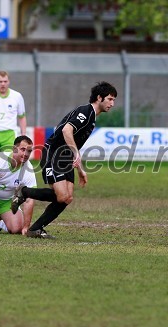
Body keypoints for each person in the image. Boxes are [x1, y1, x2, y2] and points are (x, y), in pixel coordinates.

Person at [11, 81, 117, 239]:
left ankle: (35, 229)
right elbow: (67, 131)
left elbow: (74, 143)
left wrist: (80, 169)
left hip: (65, 157)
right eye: (110, 99)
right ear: (99, 98)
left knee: (67, 198)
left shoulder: (92, 117)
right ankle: (24, 192)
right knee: (61, 196)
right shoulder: (86, 111)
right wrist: (76, 154)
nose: (112, 103)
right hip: (54, 153)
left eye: (114, 100)